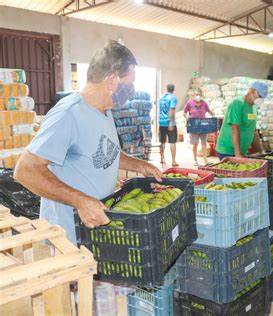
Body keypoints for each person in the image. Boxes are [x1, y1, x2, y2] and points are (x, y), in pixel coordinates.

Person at [13, 41, 162, 243]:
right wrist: (80, 201)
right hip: (69, 236)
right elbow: (25, 170)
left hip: (94, 228)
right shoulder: (68, 114)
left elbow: (107, 152)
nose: (132, 91)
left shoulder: (105, 111)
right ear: (111, 81)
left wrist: (139, 165)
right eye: (129, 84)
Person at [216, 82, 267, 160]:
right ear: (252, 91)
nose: (261, 100)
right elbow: (235, 129)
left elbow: (253, 131)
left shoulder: (254, 108)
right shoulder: (237, 103)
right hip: (228, 151)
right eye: (260, 96)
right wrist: (238, 154)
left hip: (242, 151)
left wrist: (261, 151)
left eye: (262, 98)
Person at [183, 89, 214, 166]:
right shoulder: (189, 103)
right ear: (193, 95)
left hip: (203, 125)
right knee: (195, 143)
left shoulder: (204, 103)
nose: (198, 96)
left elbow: (209, 111)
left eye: (199, 94)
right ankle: (195, 159)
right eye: (196, 94)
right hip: (194, 125)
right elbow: (184, 112)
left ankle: (205, 161)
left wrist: (212, 113)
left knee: (204, 143)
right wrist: (186, 116)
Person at [158, 84, 178, 166]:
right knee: (172, 142)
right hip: (169, 122)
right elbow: (171, 110)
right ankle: (173, 161)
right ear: (173, 90)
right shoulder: (173, 98)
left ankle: (162, 159)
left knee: (162, 142)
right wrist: (171, 123)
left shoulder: (161, 97)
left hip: (161, 122)